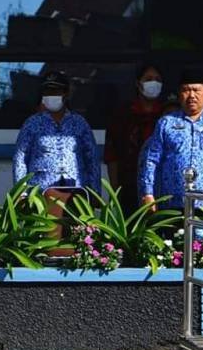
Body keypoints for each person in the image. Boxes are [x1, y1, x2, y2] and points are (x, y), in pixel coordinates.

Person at [13, 71, 100, 256]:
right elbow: (20, 157)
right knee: (44, 245)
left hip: (76, 193)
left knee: (74, 243)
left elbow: (91, 157)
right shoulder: (32, 123)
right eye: (48, 92)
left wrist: (95, 192)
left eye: (57, 91)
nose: (52, 96)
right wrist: (21, 193)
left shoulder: (79, 123)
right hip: (41, 193)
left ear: (66, 94)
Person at [139, 69, 203, 212]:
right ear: (179, 94)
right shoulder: (166, 123)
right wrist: (148, 193)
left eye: (196, 90)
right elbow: (151, 160)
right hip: (173, 203)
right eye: (186, 90)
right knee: (174, 235)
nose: (192, 95)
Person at [104, 64, 164, 211]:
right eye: (148, 79)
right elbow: (112, 156)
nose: (153, 83)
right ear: (138, 84)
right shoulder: (123, 115)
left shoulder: (168, 116)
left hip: (161, 187)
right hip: (129, 185)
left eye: (157, 79)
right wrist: (115, 191)